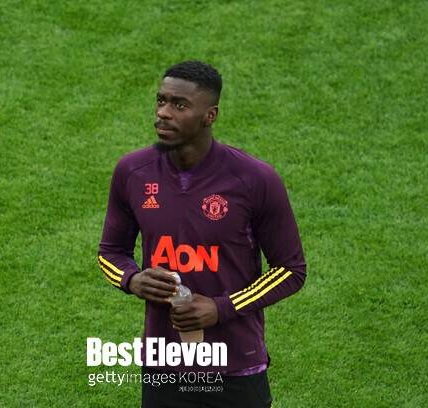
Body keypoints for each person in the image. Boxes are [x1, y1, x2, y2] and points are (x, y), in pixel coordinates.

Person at [97, 60, 306, 408]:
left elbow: (291, 270)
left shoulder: (254, 180)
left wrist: (222, 308)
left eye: (180, 105)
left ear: (210, 116)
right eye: (161, 101)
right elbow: (110, 253)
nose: (163, 113)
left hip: (236, 365)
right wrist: (132, 280)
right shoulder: (132, 172)